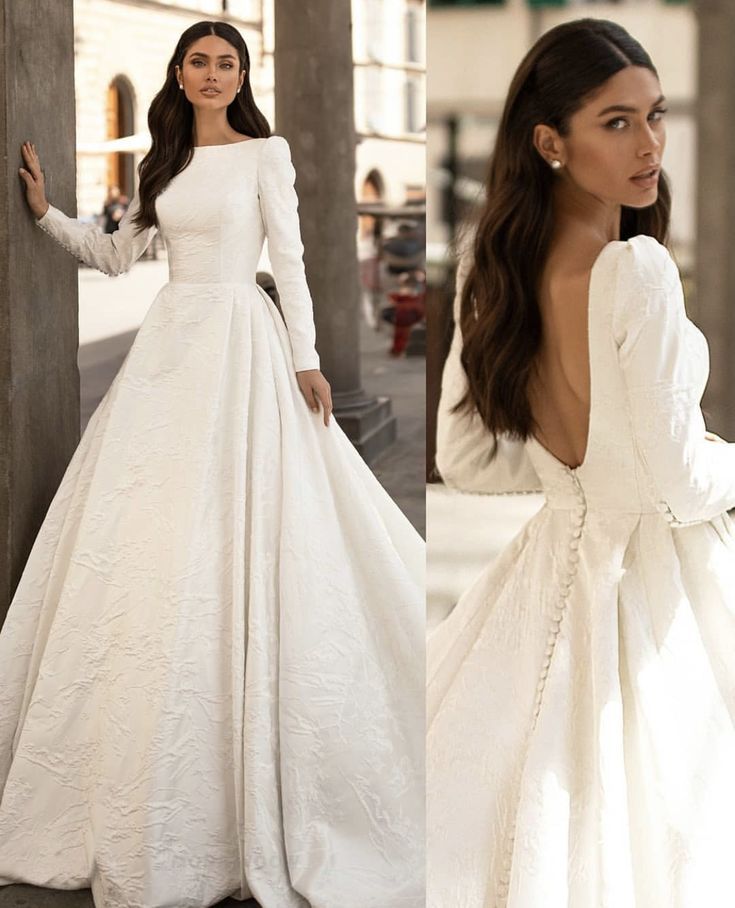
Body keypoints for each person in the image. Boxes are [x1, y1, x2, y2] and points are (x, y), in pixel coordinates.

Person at [3, 20, 425, 908]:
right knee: (151, 529)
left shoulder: (266, 154)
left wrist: (306, 357)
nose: (212, 73)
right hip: (168, 351)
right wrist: (46, 214)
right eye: (198, 61)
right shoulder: (162, 165)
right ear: (180, 73)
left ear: (242, 75)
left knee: (242, 520)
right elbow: (120, 255)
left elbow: (297, 262)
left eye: (226, 62)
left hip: (242, 342)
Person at [428, 18, 735, 908]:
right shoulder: (634, 269)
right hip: (659, 587)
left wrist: (580, 482)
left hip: (549, 575)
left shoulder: (489, 268)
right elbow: (678, 487)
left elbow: (469, 462)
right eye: (615, 121)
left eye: (654, 115)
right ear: (548, 141)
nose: (648, 145)